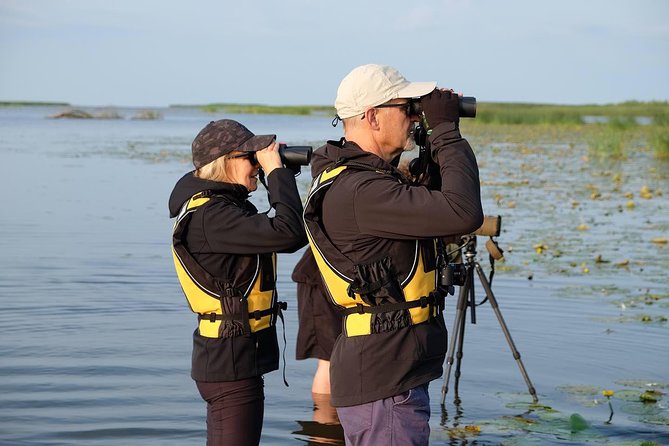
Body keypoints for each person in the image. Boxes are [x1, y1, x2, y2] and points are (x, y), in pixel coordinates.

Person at [302, 64, 483, 445]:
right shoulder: (360, 191)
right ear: (372, 116)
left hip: (389, 372)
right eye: (407, 108)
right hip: (384, 380)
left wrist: (433, 147)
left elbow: (438, 219)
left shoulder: (367, 181)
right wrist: (446, 131)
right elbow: (464, 213)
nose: (416, 116)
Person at [169, 119, 307, 446]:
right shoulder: (211, 217)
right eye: (250, 157)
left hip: (229, 358)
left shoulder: (221, 209)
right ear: (225, 162)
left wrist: (275, 172)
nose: (257, 164)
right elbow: (290, 233)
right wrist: (277, 173)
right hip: (230, 363)